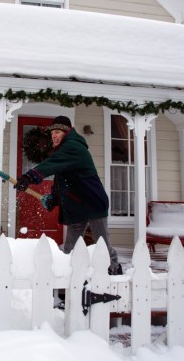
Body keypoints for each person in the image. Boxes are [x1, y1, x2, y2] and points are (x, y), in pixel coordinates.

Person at [14, 116, 122, 308]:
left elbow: (52, 164)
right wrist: (54, 199)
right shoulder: (64, 149)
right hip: (77, 205)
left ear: (66, 132)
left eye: (57, 132)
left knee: (102, 243)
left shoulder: (74, 147)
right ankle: (66, 283)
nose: (54, 136)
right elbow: (61, 181)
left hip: (93, 201)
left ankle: (115, 276)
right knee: (69, 248)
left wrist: (30, 176)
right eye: (52, 133)